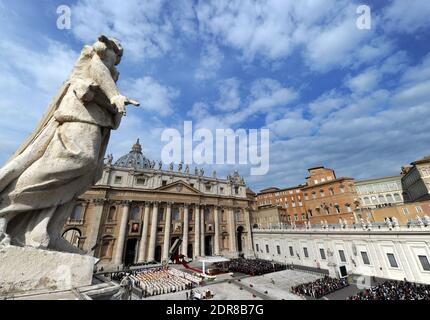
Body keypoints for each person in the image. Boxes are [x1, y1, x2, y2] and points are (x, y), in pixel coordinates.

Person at [0, 35, 139, 250]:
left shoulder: (107, 73)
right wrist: (114, 96)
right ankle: (5, 207)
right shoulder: (94, 63)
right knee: (77, 159)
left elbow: (107, 93)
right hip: (78, 118)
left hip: (95, 121)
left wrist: (116, 100)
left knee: (80, 177)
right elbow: (94, 78)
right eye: (114, 59)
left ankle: (44, 230)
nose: (114, 65)